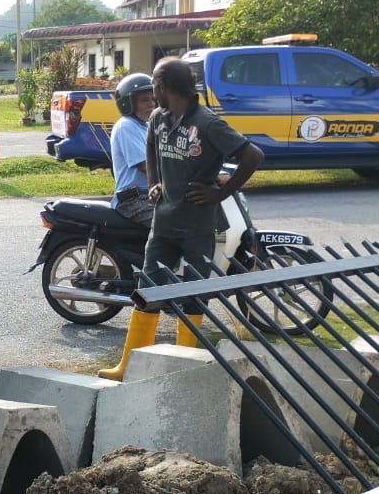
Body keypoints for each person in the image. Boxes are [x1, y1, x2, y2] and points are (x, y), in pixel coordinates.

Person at [98, 57, 264, 380]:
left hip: (197, 227)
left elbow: (253, 156)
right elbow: (151, 147)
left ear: (162, 87)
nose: (151, 95)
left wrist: (220, 194)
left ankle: (184, 368)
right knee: (147, 289)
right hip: (163, 225)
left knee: (193, 294)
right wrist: (154, 183)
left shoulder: (207, 122)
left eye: (154, 87)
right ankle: (127, 366)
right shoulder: (159, 118)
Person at [108, 73, 156, 228]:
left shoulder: (147, 126)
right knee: (168, 226)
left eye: (152, 99)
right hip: (133, 200)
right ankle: (155, 253)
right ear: (127, 103)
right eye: (144, 100)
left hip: (151, 194)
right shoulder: (126, 126)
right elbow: (144, 166)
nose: (151, 105)